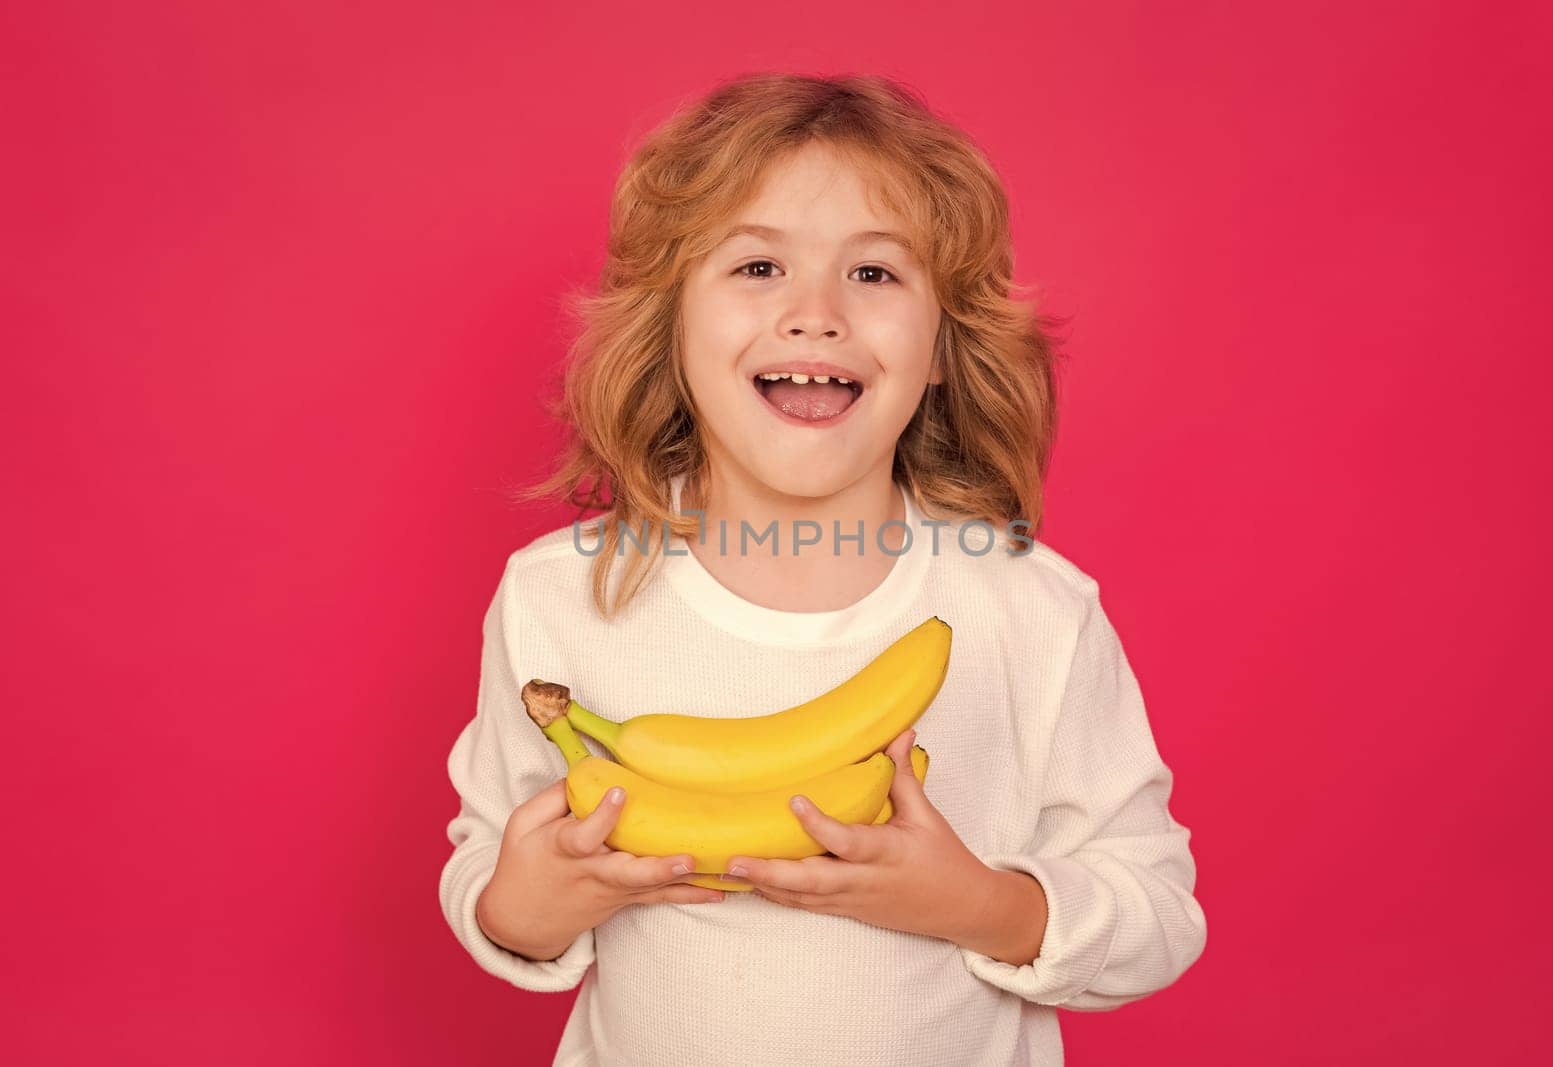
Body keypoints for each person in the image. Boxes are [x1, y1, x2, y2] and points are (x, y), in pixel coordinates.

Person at [439, 72, 1206, 1065]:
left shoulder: (1028, 608)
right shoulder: (560, 598)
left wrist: (979, 903)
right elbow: (487, 877)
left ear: (940, 346)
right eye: (757, 266)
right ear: (673, 326)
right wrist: (527, 902)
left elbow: (1158, 911)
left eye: (875, 274)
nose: (815, 313)